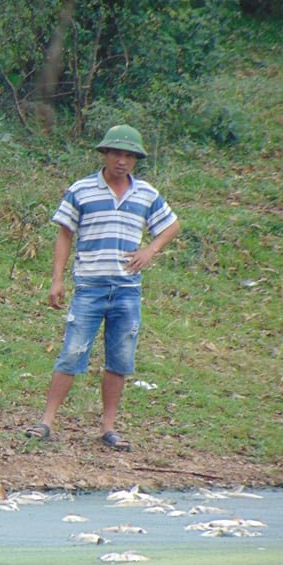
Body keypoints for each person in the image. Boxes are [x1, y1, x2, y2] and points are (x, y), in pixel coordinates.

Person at [26, 124, 180, 452]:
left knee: (120, 358)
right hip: (90, 286)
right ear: (105, 154)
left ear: (136, 160)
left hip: (127, 289)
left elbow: (171, 225)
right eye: (116, 154)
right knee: (72, 352)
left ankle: (108, 427)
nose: (122, 161)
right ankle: (47, 421)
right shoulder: (82, 190)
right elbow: (65, 234)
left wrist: (150, 250)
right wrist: (57, 279)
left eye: (129, 156)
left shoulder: (146, 194)